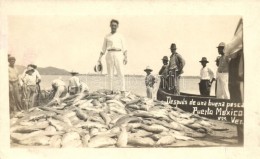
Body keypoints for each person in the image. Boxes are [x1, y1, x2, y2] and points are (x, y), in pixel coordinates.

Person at [97, 19, 127, 92]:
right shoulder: (107, 36)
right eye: (112, 25)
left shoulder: (120, 36)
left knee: (121, 73)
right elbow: (103, 49)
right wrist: (99, 59)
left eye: (115, 25)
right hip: (109, 54)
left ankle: (122, 90)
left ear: (117, 26)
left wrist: (125, 57)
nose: (113, 27)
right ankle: (110, 90)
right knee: (110, 73)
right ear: (110, 26)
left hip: (118, 54)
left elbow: (125, 48)